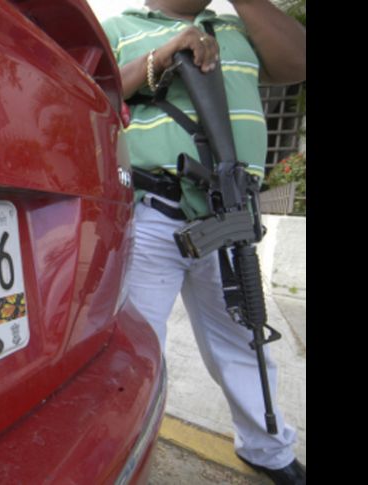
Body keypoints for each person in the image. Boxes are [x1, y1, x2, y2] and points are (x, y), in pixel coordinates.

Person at [100, 1, 305, 484]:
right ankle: (121, 452)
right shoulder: (119, 27)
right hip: (153, 212)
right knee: (136, 344)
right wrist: (163, 56)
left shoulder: (238, 27)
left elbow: (298, 61)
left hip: (230, 215)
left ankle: (267, 449)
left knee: (244, 338)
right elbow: (97, 94)